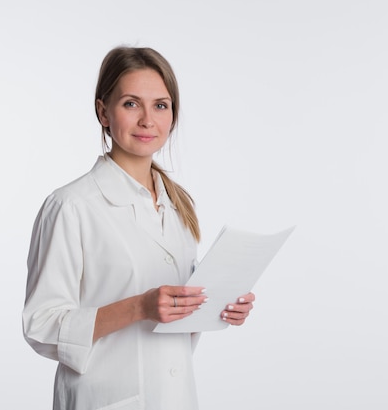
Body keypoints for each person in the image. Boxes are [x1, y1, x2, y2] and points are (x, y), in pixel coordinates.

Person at [22, 46, 255, 410]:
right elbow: (41, 325)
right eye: (131, 104)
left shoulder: (179, 207)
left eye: (161, 105)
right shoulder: (71, 206)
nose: (148, 120)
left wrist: (220, 306)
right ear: (103, 112)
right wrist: (139, 307)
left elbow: (176, 318)